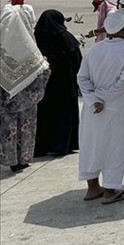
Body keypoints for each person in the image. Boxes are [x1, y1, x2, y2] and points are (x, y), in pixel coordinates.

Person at [77, 11, 124, 204]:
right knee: (115, 147)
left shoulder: (94, 50)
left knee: (92, 145)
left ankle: (92, 187)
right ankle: (111, 189)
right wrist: (103, 97)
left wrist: (93, 99)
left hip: (93, 109)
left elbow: (82, 78)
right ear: (123, 30)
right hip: (117, 107)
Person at [0, 6, 50, 172]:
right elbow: (43, 71)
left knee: (8, 130)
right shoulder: (28, 47)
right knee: (25, 128)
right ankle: (23, 158)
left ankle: (10, 159)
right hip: (27, 101)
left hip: (5, 103)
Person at [33, 10, 81, 157]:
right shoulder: (67, 39)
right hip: (65, 85)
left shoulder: (36, 39)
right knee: (65, 115)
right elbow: (78, 62)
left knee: (44, 116)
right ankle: (63, 145)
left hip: (44, 87)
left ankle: (43, 146)